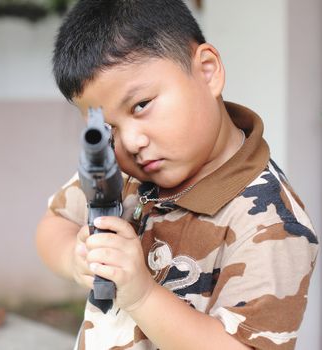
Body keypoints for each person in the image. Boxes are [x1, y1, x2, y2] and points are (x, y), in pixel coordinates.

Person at [35, 1, 319, 349]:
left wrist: (141, 296)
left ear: (208, 71)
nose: (132, 142)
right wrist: (74, 257)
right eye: (109, 128)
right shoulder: (120, 175)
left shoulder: (270, 223)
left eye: (141, 105)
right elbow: (55, 222)